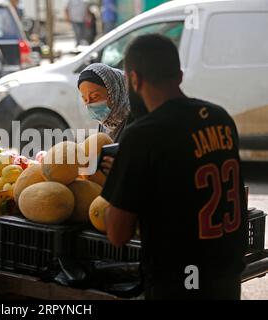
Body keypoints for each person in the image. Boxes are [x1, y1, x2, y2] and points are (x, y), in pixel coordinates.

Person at [102, 34, 248, 300]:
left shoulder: (142, 135)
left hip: (181, 281)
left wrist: (118, 180)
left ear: (134, 80)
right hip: (226, 274)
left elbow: (117, 234)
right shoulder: (220, 118)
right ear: (179, 75)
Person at [78, 63, 131, 174]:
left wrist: (123, 169)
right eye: (85, 99)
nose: (90, 104)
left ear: (114, 92)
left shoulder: (135, 123)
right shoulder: (106, 121)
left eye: (94, 96)